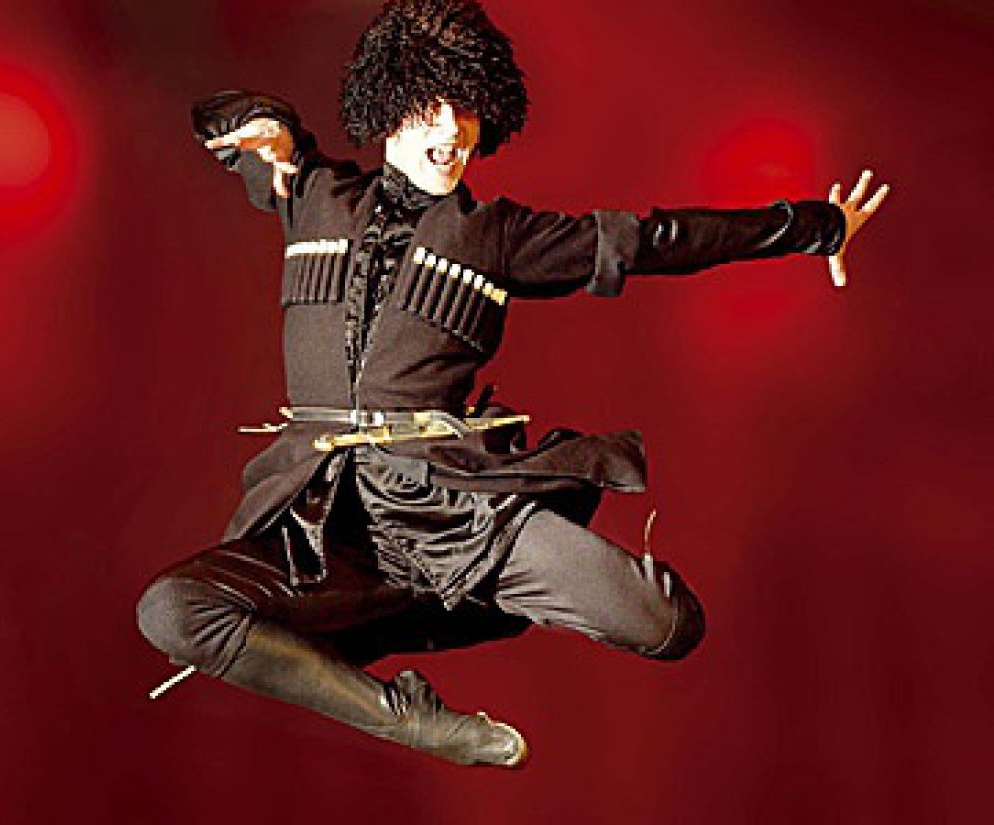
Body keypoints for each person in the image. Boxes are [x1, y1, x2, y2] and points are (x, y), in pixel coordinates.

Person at [136, 0, 888, 768]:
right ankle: (409, 719)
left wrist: (814, 226)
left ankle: (473, 594)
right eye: (433, 105)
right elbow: (224, 123)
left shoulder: (494, 235)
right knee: (171, 609)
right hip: (322, 529)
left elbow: (652, 241)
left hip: (453, 511)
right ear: (390, 103)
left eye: (468, 109)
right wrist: (264, 126)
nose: (454, 129)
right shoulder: (312, 194)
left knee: (667, 623)